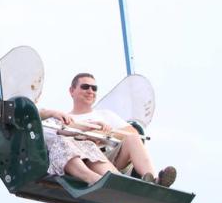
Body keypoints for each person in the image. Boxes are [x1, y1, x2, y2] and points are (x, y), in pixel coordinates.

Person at [40, 71, 177, 187]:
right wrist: (83, 132)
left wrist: (104, 134)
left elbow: (131, 132)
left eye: (94, 88)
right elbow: (49, 136)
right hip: (82, 160)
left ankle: (153, 180)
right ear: (72, 91)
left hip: (109, 158)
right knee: (66, 143)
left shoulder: (105, 115)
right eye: (85, 87)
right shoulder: (62, 119)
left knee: (132, 138)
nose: (90, 91)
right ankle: (104, 180)